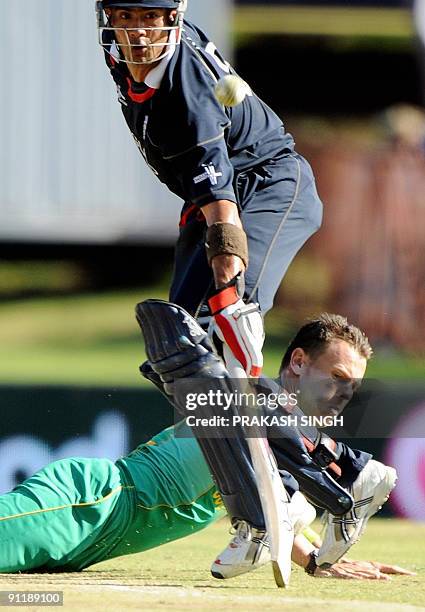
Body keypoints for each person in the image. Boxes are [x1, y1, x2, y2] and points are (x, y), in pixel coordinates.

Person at [96, 0, 324, 569]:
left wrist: (229, 285)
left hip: (264, 189)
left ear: (173, 17)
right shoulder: (118, 53)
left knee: (226, 327)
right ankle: (259, 513)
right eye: (124, 17)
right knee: (179, 354)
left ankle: (332, 470)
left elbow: (223, 210)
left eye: (149, 18)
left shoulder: (185, 90)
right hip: (215, 200)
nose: (136, 32)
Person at [0, 313, 412, 581]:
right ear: (300, 362)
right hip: (91, 503)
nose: (343, 393)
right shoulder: (248, 397)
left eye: (353, 386)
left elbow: (272, 501)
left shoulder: (282, 436)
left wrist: (321, 561)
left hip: (93, 542)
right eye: (337, 376)